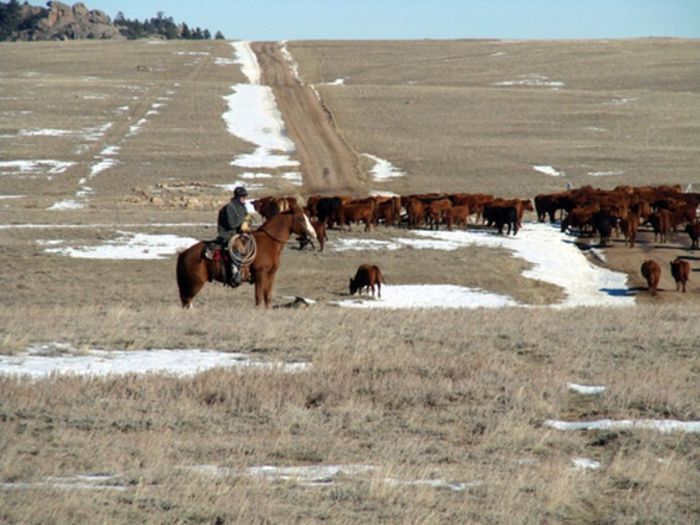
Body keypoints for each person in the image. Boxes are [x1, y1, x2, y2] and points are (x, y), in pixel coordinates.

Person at [216, 186, 252, 286]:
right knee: (238, 247)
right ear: (237, 197)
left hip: (239, 234)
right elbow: (232, 224)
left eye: (245, 196)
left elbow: (246, 219)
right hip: (227, 234)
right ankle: (235, 273)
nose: (244, 198)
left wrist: (248, 221)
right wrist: (243, 220)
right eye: (242, 196)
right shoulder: (229, 208)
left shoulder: (242, 207)